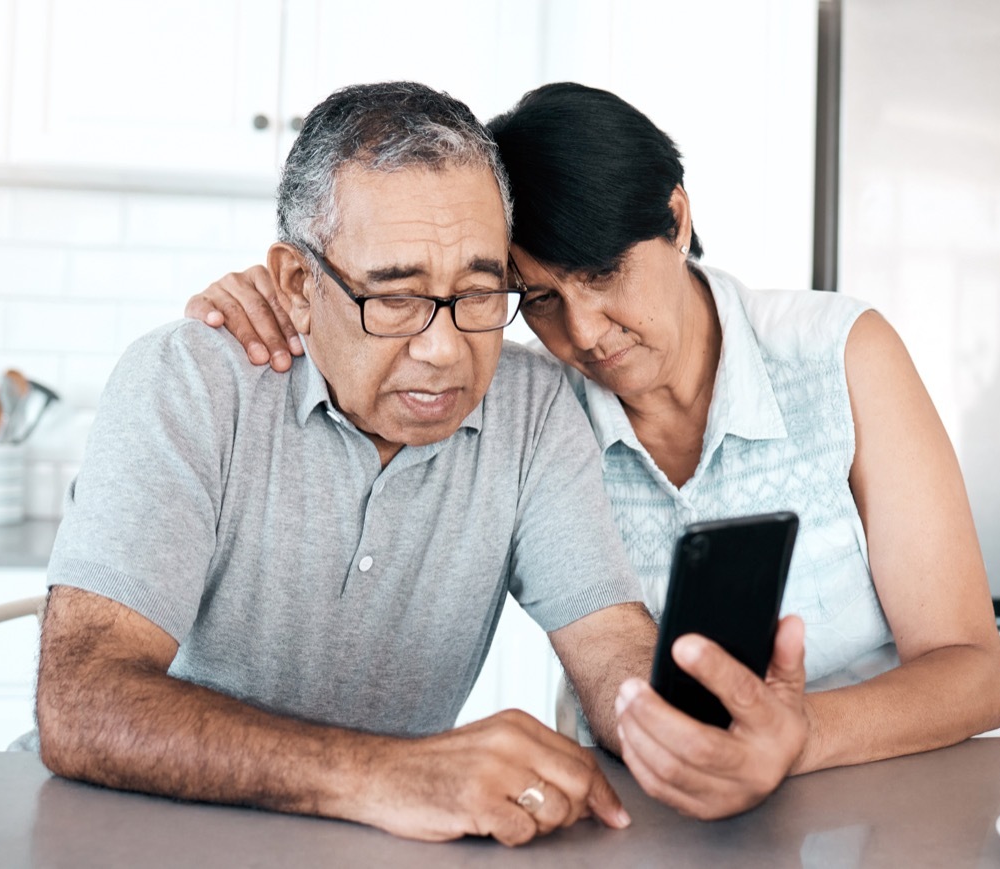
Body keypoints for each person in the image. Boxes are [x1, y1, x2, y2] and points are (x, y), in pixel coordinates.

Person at [188, 82, 1000, 822]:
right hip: (671, 809)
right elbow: (394, 311)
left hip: (916, 792)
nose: (586, 333)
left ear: (676, 218)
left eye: (603, 274)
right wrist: (287, 300)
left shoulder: (838, 354)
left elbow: (974, 673)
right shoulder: (526, 402)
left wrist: (800, 736)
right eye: (543, 299)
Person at [34, 81, 665, 847]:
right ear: (300, 285)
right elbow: (81, 703)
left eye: (476, 291)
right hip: (130, 835)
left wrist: (676, 726)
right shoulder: (189, 380)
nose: (443, 350)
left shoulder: (531, 408)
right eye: (394, 299)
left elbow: (607, 644)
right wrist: (389, 773)